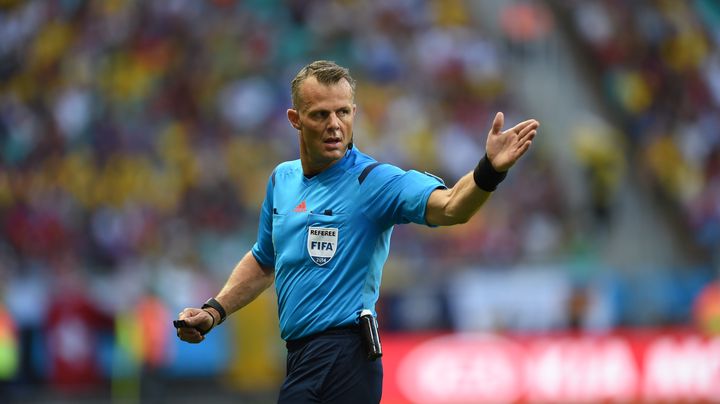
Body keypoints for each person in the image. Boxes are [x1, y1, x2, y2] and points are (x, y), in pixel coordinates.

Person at [176, 60, 539, 403]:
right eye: (320, 114)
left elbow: (451, 207)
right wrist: (214, 311)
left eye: (343, 112)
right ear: (295, 119)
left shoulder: (373, 181)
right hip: (300, 358)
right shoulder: (282, 179)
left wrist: (490, 169)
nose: (334, 124)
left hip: (347, 354)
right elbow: (264, 260)